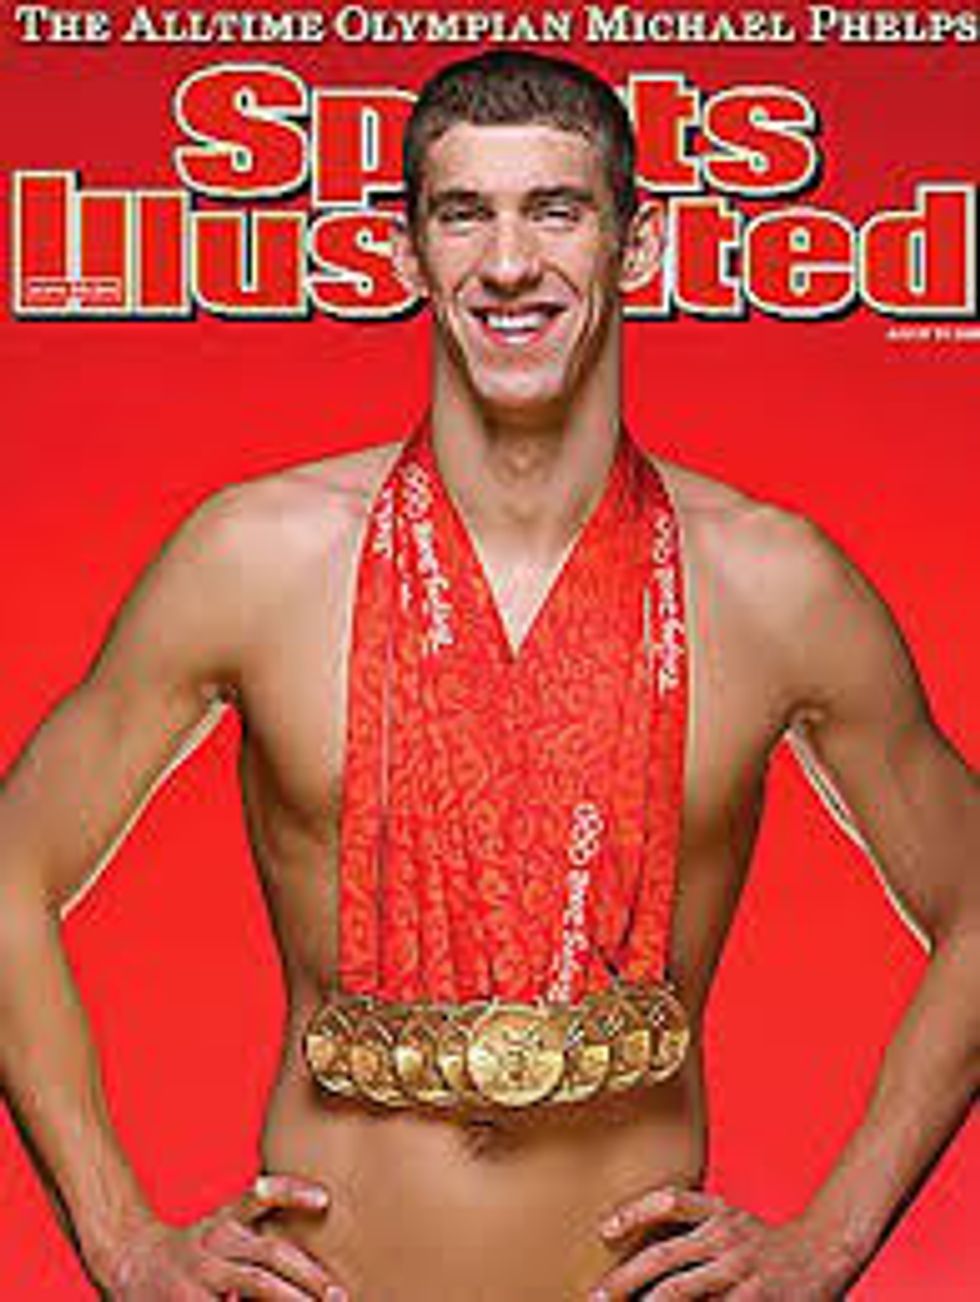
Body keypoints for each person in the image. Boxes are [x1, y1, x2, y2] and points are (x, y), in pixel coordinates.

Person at [0, 49, 977, 1302]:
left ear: (635, 245)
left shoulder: (773, 583)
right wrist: (119, 1237)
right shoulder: (253, 556)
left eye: (555, 210)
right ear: (407, 254)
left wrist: (829, 1241)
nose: (507, 262)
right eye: (463, 214)